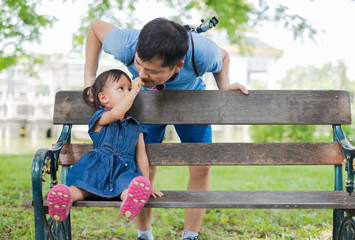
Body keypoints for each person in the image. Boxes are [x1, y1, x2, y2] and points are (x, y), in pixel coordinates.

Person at [84, 18, 249, 240]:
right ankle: (144, 234)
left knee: (201, 167)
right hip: (148, 100)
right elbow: (95, 28)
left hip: (192, 99)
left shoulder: (202, 54)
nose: (141, 74)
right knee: (144, 164)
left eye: (151, 70)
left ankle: (190, 235)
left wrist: (224, 85)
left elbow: (224, 56)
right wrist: (89, 79)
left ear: (178, 66)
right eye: (138, 63)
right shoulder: (126, 44)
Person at [47, 69, 163, 225]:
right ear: (103, 98)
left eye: (129, 88)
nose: (128, 92)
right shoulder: (101, 117)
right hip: (97, 169)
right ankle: (64, 196)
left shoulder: (137, 126)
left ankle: (132, 198)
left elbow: (142, 156)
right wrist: (134, 92)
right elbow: (116, 114)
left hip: (124, 170)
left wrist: (146, 183)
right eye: (121, 88)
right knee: (81, 189)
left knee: (128, 187)